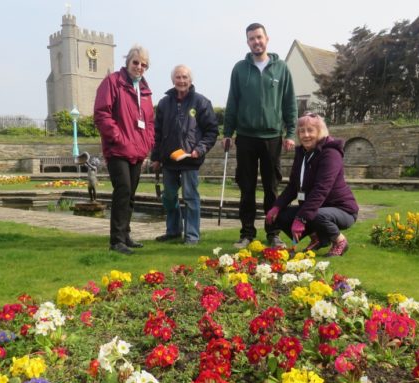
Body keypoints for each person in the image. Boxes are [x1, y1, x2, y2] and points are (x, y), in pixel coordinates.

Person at [223, 22, 297, 249]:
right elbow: (232, 103)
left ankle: (273, 233)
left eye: (259, 37)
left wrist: (291, 132)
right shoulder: (239, 68)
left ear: (267, 39)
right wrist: (227, 132)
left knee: (271, 188)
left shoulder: (281, 68)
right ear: (247, 42)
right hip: (245, 137)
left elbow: (289, 103)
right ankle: (246, 233)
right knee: (246, 188)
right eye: (251, 38)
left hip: (272, 137)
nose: (256, 41)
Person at [265, 112, 359, 257]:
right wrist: (276, 207)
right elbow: (292, 186)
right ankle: (318, 238)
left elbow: (321, 189)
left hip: (342, 210)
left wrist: (301, 219)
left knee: (315, 215)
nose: (305, 135)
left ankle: (339, 241)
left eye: (310, 130)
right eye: (302, 131)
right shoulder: (302, 153)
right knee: (281, 215)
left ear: (320, 132)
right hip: (317, 208)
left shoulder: (331, 153)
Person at [93, 45, 155, 255]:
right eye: (136, 62)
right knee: (123, 190)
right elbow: (102, 114)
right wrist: (118, 138)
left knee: (131, 194)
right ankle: (116, 240)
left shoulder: (145, 91)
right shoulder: (112, 82)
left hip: (137, 151)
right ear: (128, 62)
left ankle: (125, 234)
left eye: (143, 64)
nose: (139, 67)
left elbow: (149, 121)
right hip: (118, 149)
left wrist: (147, 143)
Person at [150, 65, 219, 245]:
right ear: (173, 80)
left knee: (190, 198)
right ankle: (173, 231)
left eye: (185, 77)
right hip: (169, 160)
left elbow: (211, 131)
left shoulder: (201, 102)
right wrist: (156, 158)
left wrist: (200, 149)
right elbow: (156, 133)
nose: (181, 81)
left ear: (190, 80)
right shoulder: (164, 103)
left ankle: (192, 236)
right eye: (178, 77)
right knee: (169, 197)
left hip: (190, 159)